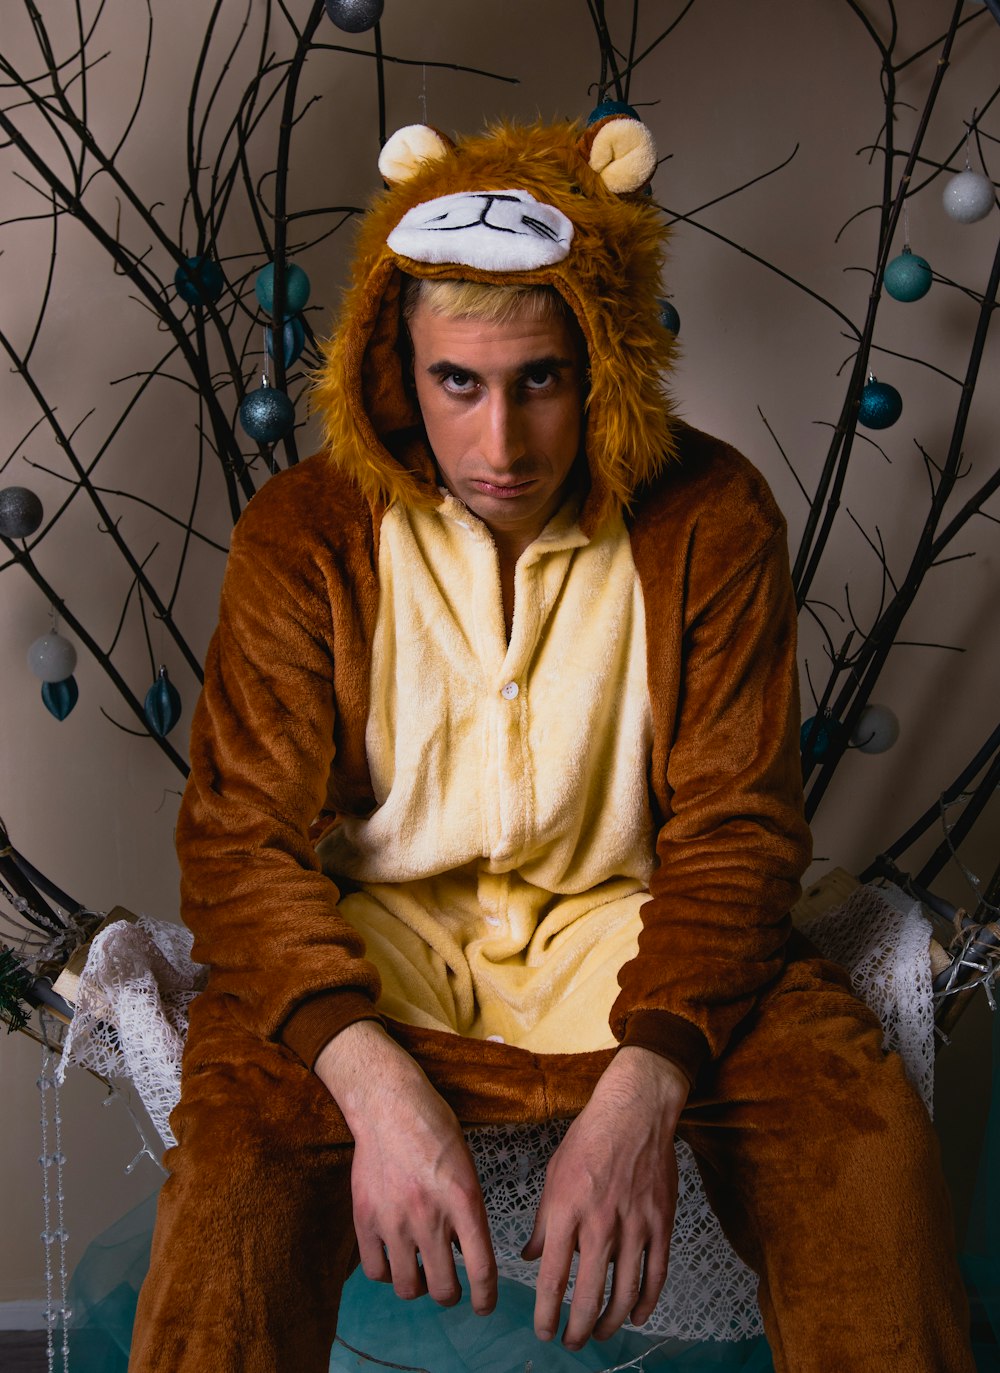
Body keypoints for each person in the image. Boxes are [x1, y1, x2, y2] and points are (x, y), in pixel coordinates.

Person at [128, 117, 975, 1372]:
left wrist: (644, 1086)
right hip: (380, 951)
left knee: (864, 1143)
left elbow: (739, 832)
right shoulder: (304, 533)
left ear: (606, 364)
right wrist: (370, 1081)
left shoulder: (711, 516)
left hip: (641, 932)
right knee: (233, 1184)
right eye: (455, 382)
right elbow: (239, 846)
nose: (500, 445)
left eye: (541, 381)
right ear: (393, 367)